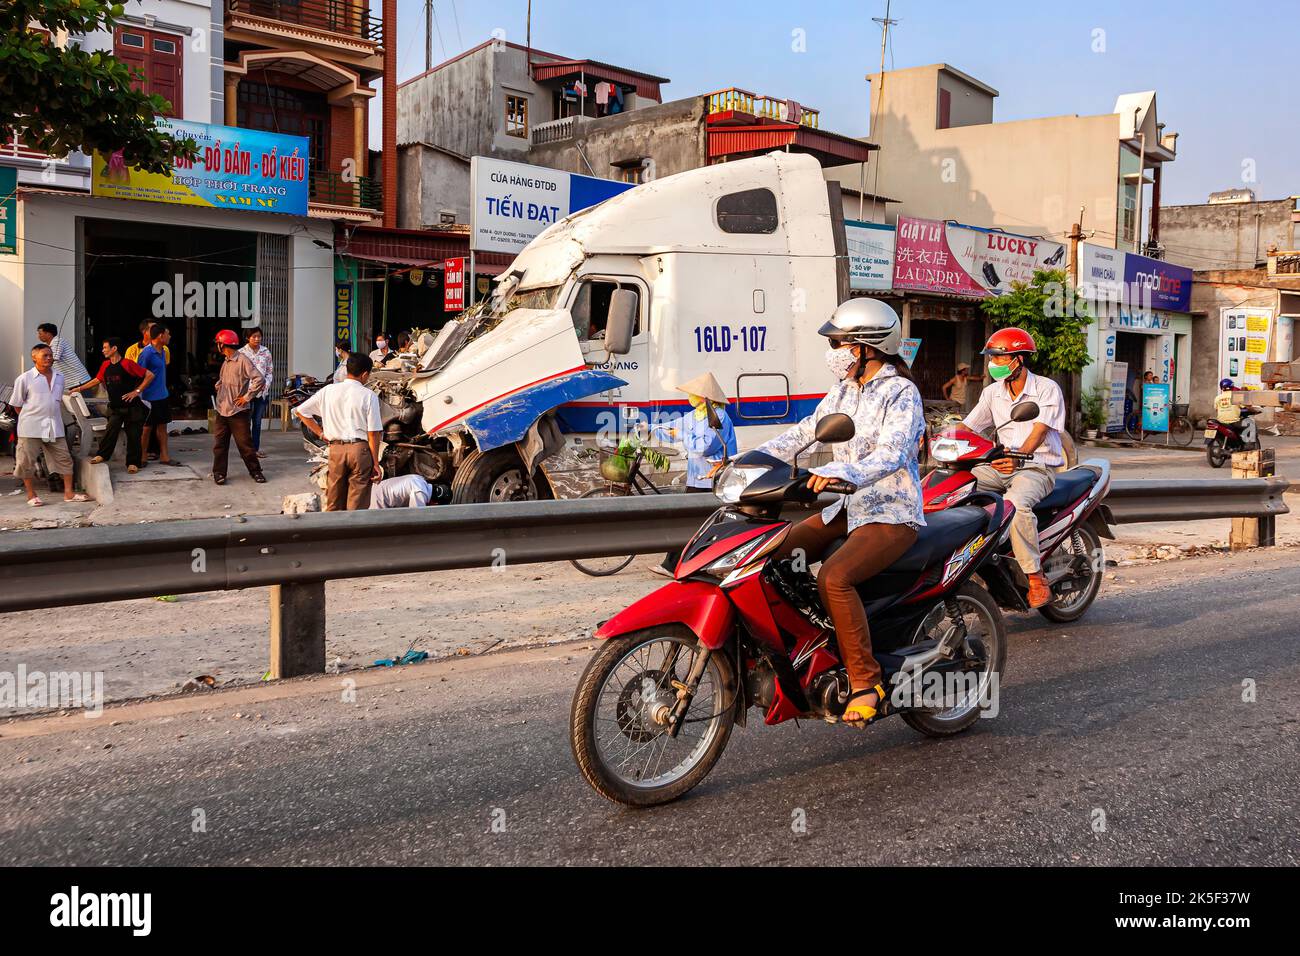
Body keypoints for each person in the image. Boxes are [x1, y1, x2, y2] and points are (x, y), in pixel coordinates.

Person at [760, 298, 926, 726]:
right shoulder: (843, 390)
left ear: (866, 347)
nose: (832, 351)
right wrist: (752, 459)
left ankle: (865, 680)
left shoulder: (901, 392)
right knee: (766, 553)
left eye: (838, 342)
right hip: (845, 508)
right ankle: (807, 645)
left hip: (890, 513)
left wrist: (840, 470)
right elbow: (805, 434)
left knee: (835, 576)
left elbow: (892, 454)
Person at [960, 327, 1065, 609]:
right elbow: (969, 427)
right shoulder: (992, 392)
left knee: (1015, 506)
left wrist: (1020, 457)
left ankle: (1035, 577)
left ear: (1018, 359)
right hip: (999, 466)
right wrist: (944, 439)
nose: (993, 365)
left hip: (1036, 467)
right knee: (956, 489)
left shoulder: (1046, 389)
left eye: (998, 358)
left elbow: (1039, 431)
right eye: (992, 359)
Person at [650, 371, 737, 576]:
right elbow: (673, 428)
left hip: (713, 477)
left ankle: (673, 565)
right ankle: (679, 564)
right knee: (692, 521)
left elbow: (704, 446)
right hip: (696, 478)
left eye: (694, 393)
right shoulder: (695, 415)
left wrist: (681, 435)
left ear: (704, 397)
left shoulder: (719, 416)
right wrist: (651, 428)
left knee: (691, 521)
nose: (691, 397)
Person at [293, 352, 382, 510]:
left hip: (335, 450)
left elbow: (301, 411)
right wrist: (375, 462)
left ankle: (333, 531)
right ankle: (353, 531)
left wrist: (320, 433)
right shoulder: (369, 396)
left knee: (333, 499)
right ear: (365, 374)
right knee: (357, 501)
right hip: (359, 451)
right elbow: (373, 433)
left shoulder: (328, 391)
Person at [11, 343, 91, 506]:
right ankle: (31, 495)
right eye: (44, 356)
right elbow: (17, 405)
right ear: (34, 358)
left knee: (65, 459)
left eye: (50, 355)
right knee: (26, 462)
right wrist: (31, 417)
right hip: (30, 428)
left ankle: (68, 493)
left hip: (54, 426)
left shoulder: (59, 377)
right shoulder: (24, 378)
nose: (49, 358)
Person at [70, 337, 153, 474]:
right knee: (110, 431)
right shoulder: (105, 365)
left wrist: (137, 391)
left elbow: (149, 375)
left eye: (105, 348)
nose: (103, 350)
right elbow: (97, 380)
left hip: (133, 408)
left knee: (133, 436)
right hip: (115, 407)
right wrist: (79, 389)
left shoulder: (127, 364)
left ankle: (133, 463)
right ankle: (102, 454)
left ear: (114, 349)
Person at [211, 329, 266, 486]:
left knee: (245, 445)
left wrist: (247, 397)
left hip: (238, 411)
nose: (217, 347)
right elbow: (222, 379)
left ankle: (256, 472)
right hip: (222, 409)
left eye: (218, 344)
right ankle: (219, 473)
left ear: (223, 344)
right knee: (220, 445)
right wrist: (219, 385)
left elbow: (259, 379)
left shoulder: (243, 360)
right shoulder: (226, 361)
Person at [136, 323, 182, 467]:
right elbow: (139, 374)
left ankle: (165, 456)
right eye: (167, 334)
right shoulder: (146, 353)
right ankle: (142, 457)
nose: (169, 336)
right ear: (161, 336)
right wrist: (139, 393)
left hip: (162, 395)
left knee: (162, 427)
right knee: (147, 428)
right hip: (148, 397)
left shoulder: (163, 351)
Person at [240, 326, 274, 458]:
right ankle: (246, 450)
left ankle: (255, 449)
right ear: (248, 338)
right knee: (245, 422)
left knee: (257, 422)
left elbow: (269, 372)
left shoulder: (266, 352)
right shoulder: (241, 353)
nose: (257, 339)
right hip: (246, 394)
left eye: (259, 336)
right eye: (254, 336)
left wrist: (265, 387)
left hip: (261, 393)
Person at [35, 323, 91, 390]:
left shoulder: (57, 341)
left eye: (40, 334)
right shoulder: (50, 345)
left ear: (48, 334)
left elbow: (53, 358)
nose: (38, 336)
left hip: (79, 380)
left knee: (82, 400)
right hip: (73, 382)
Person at [370, 473, 434, 509]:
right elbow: (416, 516)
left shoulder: (419, 479)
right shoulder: (420, 491)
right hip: (377, 500)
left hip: (374, 490)